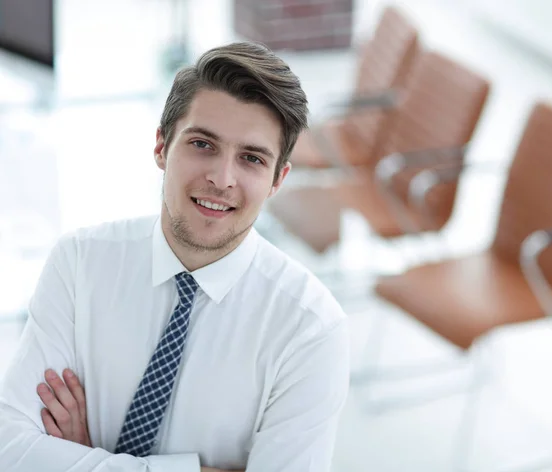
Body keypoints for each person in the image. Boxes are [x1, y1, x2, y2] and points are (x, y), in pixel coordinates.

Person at [0, 42, 350, 472]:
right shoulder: (79, 263)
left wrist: (85, 461)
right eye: (203, 144)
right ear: (162, 147)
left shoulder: (310, 330)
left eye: (252, 159)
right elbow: (10, 449)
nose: (222, 179)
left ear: (278, 180)